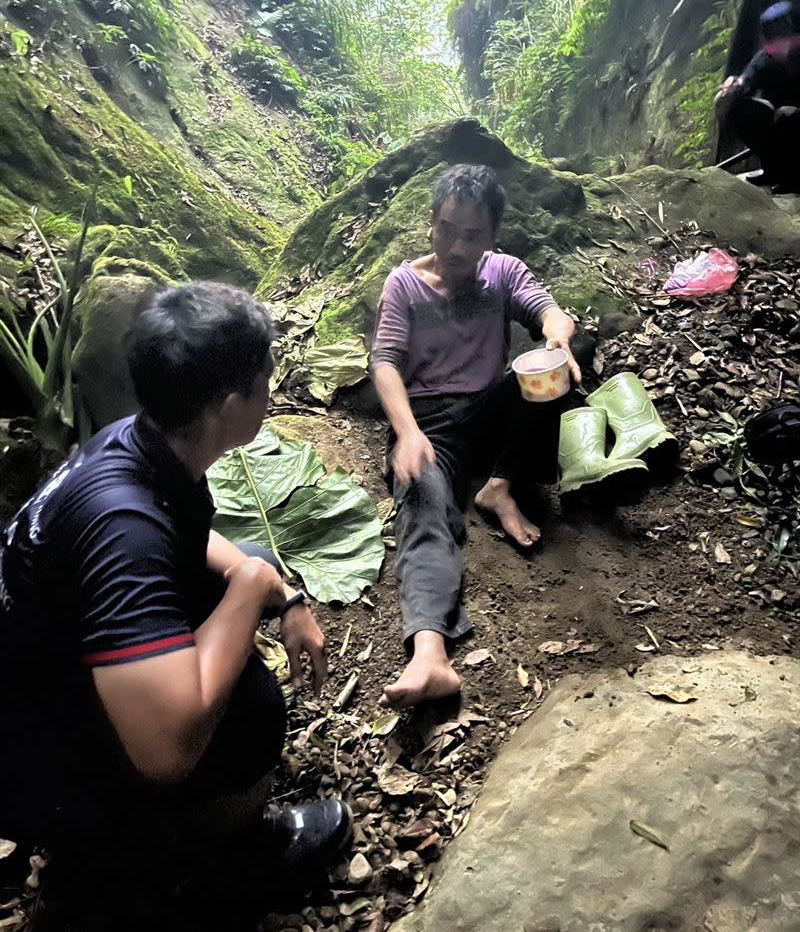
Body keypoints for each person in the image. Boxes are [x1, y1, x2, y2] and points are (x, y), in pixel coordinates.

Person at [0, 282, 350, 930]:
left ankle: (118, 839)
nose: (272, 389)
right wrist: (250, 590)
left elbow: (191, 540)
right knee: (251, 712)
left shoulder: (137, 441)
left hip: (41, 665)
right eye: (263, 378)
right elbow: (166, 751)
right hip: (27, 753)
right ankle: (191, 866)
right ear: (227, 406)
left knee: (241, 559)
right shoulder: (123, 528)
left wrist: (279, 588)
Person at [371, 164, 581, 709]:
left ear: (491, 237)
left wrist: (558, 332)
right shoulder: (405, 284)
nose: (455, 246)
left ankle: (501, 485)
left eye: (470, 235)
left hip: (489, 412)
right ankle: (429, 653)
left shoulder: (503, 272)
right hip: (432, 427)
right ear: (430, 224)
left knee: (557, 366)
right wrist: (408, 433)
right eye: (446, 229)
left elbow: (546, 310)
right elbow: (386, 364)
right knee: (424, 499)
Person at [716, 0, 800, 192]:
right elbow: (746, 81)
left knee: (786, 115)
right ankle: (774, 171)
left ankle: (794, 177)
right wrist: (733, 87)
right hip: (782, 124)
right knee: (739, 107)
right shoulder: (766, 58)